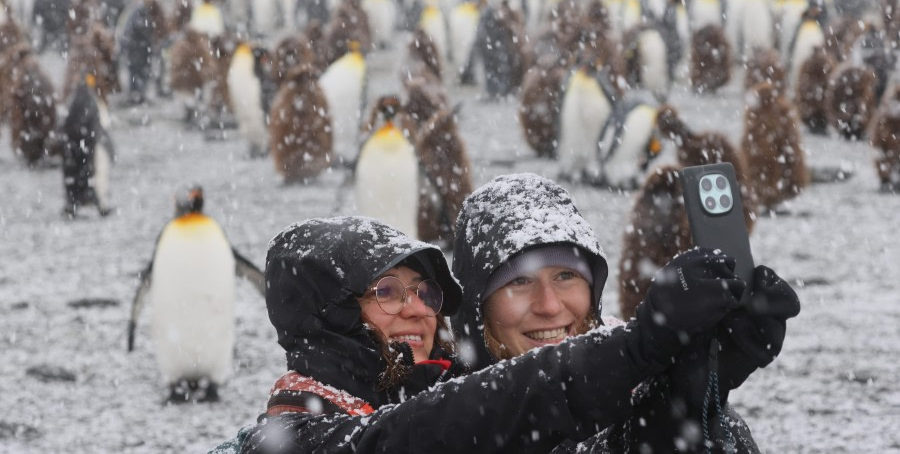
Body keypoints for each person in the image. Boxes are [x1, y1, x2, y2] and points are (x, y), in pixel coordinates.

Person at [213, 213, 748, 453]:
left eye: (425, 293)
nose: (418, 311)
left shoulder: (438, 389)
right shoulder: (295, 441)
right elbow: (438, 430)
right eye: (386, 291)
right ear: (326, 317)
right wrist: (637, 345)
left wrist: (693, 381)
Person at [451, 173, 801, 452]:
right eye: (521, 281)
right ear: (476, 305)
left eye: (565, 275)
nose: (550, 305)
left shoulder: (632, 396)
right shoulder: (439, 420)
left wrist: (691, 402)